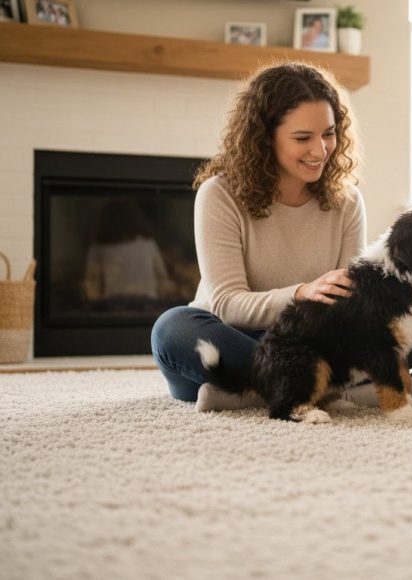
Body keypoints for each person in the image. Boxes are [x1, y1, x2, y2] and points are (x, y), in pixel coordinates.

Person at [151, 62, 374, 412]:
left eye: (329, 133)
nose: (320, 150)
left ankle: (247, 394)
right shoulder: (219, 194)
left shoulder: (347, 201)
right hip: (235, 341)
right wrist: (302, 294)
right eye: (303, 138)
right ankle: (325, 390)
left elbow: (347, 310)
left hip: (309, 347)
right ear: (265, 137)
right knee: (172, 329)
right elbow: (225, 303)